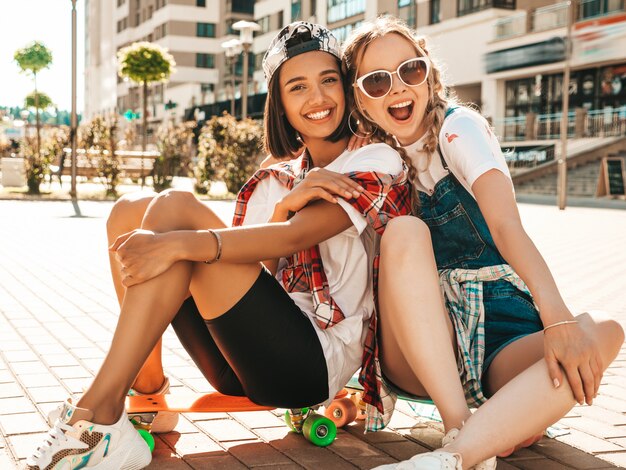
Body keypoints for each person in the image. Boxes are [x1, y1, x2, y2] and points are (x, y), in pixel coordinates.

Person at [26, 22, 412, 470]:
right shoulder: (279, 174)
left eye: (329, 80)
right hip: (243, 359)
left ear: (346, 90)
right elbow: (262, 268)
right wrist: (285, 204)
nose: (318, 98)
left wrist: (177, 243)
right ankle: (148, 395)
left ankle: (98, 414)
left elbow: (294, 238)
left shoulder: (373, 158)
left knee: (175, 212)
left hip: (310, 366)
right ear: (281, 105)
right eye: (298, 87)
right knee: (128, 210)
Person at [341, 16, 625, 470]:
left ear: (428, 73)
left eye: (409, 70)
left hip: (500, 331)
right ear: (361, 99)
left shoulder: (459, 129)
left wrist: (557, 320)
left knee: (605, 330)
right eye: (376, 81)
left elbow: (506, 226)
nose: (396, 87)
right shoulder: (373, 159)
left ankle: (458, 455)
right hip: (422, 348)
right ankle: (465, 427)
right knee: (405, 231)